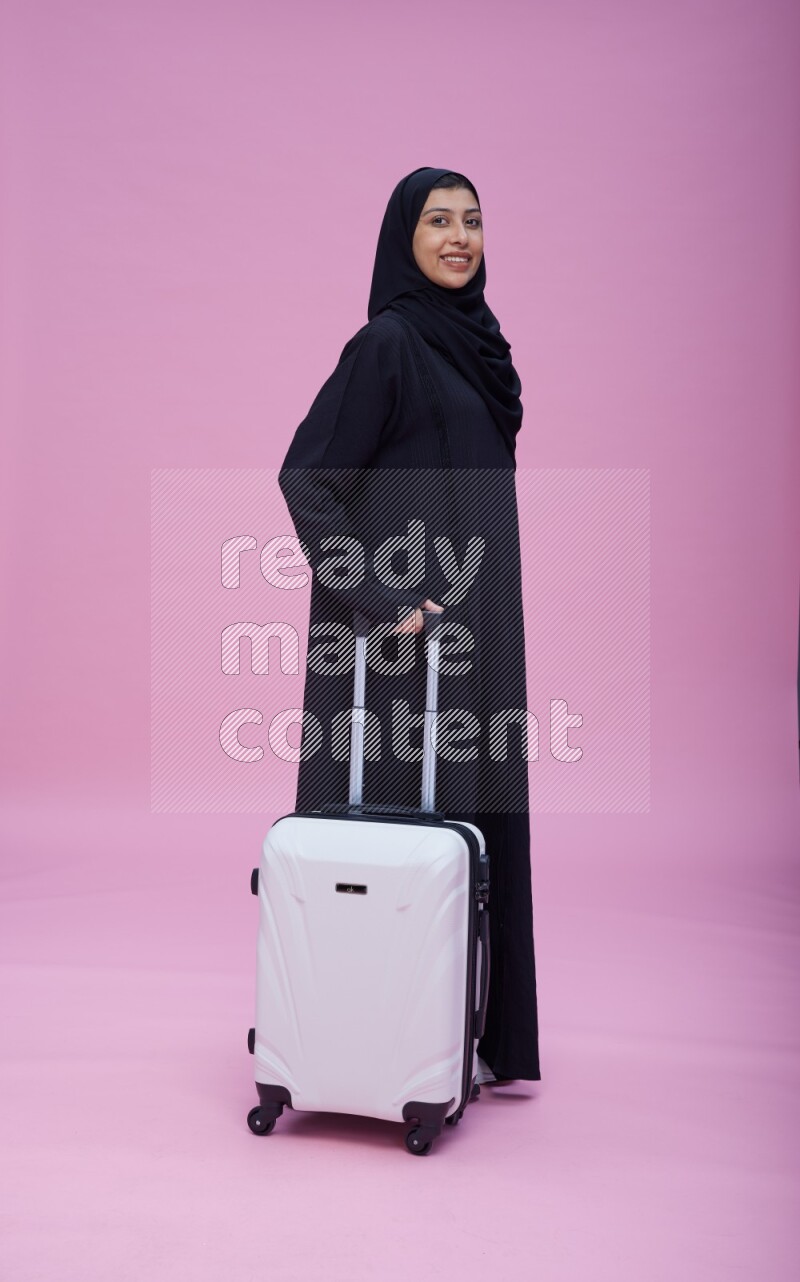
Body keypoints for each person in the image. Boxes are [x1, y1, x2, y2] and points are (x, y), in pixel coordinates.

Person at [278, 167, 540, 1085]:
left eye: (473, 220)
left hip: (477, 633)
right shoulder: (387, 344)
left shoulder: (480, 345)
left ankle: (453, 1045)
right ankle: (364, 1052)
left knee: (470, 831)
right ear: (404, 237)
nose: (459, 237)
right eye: (438, 221)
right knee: (395, 839)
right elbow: (308, 478)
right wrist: (381, 598)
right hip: (400, 648)